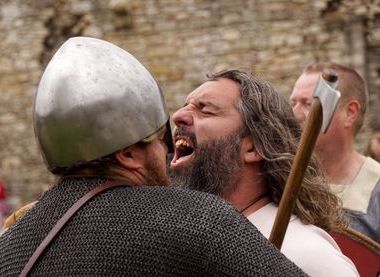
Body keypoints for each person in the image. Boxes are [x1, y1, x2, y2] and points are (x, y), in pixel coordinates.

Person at [0, 37, 306, 276]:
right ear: (129, 154)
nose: (166, 152)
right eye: (162, 141)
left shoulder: (9, 246)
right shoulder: (195, 219)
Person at [170, 69, 359, 276]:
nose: (178, 116)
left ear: (253, 148)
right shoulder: (184, 239)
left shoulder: (309, 254)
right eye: (185, 106)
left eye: (205, 110)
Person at [290, 63, 380, 243]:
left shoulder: (376, 186)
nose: (295, 114)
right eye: (293, 102)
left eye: (309, 104)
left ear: (350, 112)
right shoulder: (280, 180)